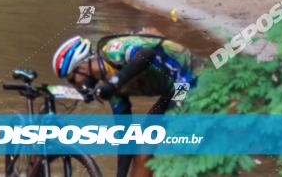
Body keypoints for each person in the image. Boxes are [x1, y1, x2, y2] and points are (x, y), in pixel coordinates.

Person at [53, 30, 200, 177]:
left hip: (190, 78)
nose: (74, 86)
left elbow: (146, 55)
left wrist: (114, 83)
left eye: (72, 79)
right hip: (172, 91)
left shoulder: (112, 50)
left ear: (82, 67)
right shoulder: (110, 88)